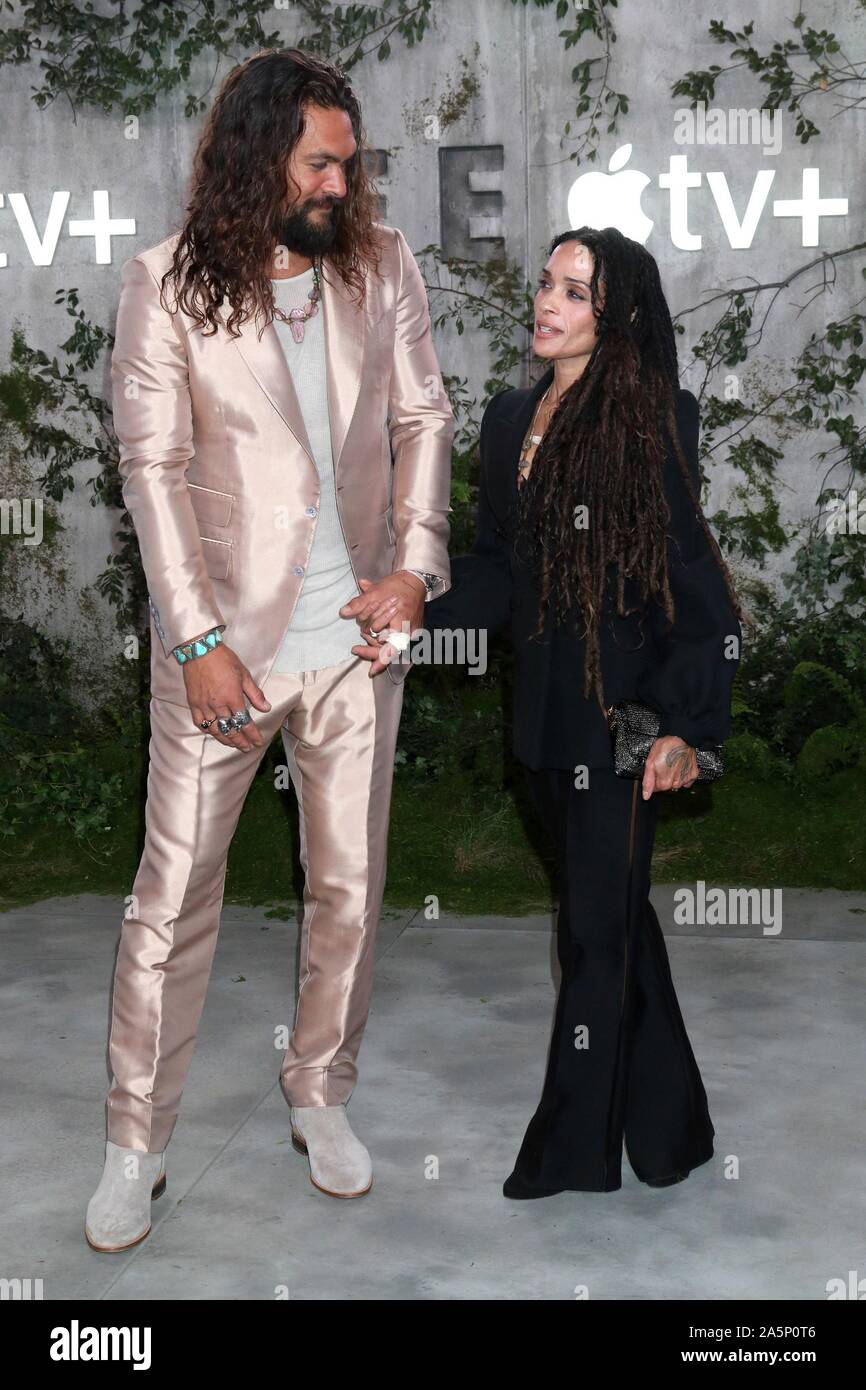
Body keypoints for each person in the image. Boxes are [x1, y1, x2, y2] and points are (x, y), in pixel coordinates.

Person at [85, 47, 453, 1251]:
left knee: (347, 888)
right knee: (171, 898)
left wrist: (412, 566)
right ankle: (134, 1140)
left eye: (351, 162)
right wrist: (194, 639)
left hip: (353, 648)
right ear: (259, 159)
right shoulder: (164, 286)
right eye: (322, 162)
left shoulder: (381, 265)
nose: (344, 183)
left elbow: (421, 419)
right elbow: (153, 471)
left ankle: (319, 1094)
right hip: (221, 652)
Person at [368, 226, 743, 1197]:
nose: (547, 303)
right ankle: (671, 1132)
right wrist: (413, 612)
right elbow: (496, 567)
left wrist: (683, 727)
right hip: (536, 723)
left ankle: (569, 1153)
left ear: (613, 314)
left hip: (620, 721)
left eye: (574, 292)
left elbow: (691, 590)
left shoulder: (654, 420)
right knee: (612, 923)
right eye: (545, 285)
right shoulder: (505, 417)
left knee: (590, 933)